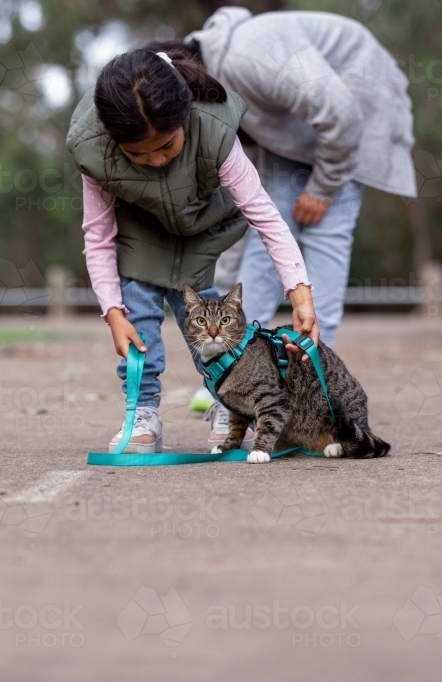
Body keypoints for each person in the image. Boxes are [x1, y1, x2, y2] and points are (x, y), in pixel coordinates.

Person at [66, 49, 318, 454]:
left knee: (208, 320)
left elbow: (265, 216)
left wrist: (300, 293)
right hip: (140, 231)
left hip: (200, 226)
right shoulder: (93, 149)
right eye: (137, 154)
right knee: (138, 317)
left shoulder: (215, 130)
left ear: (184, 118)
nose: (154, 161)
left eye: (166, 146)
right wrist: (113, 312)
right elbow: (97, 236)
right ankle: (142, 413)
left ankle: (231, 405)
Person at [151, 7, 416, 346]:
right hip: (298, 124)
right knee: (270, 230)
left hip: (354, 104)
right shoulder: (217, 102)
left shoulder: (247, 59)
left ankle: (316, 364)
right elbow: (246, 215)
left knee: (327, 230)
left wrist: (323, 187)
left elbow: (342, 115)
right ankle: (241, 358)